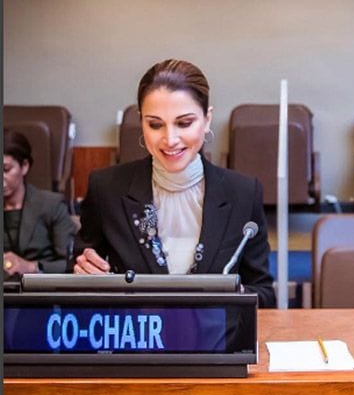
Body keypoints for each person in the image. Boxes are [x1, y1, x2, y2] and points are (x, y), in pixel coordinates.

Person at [74, 59, 276, 307]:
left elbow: (264, 294)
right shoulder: (106, 189)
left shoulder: (243, 193)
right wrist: (82, 272)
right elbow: (76, 272)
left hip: (216, 340)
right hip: (136, 337)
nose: (170, 139)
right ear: (141, 122)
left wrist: (228, 297)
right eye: (155, 124)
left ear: (207, 119)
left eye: (184, 123)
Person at [4, 129, 77, 277]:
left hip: (41, 293)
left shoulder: (51, 205)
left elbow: (71, 263)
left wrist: (31, 267)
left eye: (6, 169)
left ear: (24, 166)